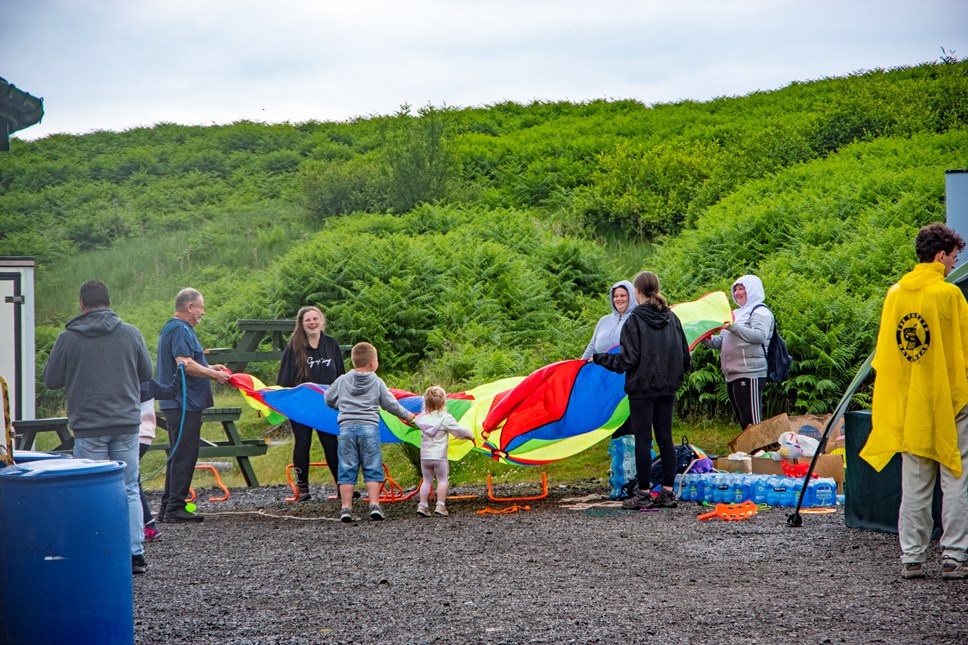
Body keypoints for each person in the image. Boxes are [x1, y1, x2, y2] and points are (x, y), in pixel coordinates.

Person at [861, 222, 968, 581]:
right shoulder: (949, 295)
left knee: (916, 481)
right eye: (954, 257)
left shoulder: (895, 294)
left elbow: (888, 353)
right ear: (940, 256)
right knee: (956, 476)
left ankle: (912, 556)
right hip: (950, 400)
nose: (954, 264)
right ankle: (953, 556)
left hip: (910, 401)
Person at [42, 280, 154, 574]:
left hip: (89, 426)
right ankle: (134, 554)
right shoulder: (131, 333)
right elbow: (147, 373)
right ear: (109, 301)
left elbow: (51, 380)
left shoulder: (68, 338)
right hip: (127, 423)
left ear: (82, 304)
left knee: (91, 489)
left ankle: (97, 550)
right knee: (129, 487)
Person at [590, 271, 691, 510]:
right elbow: (685, 357)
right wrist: (673, 378)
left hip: (642, 389)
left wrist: (599, 359)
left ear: (636, 292)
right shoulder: (673, 318)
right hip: (668, 389)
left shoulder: (634, 319)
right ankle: (667, 492)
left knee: (643, 441)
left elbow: (627, 360)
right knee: (666, 439)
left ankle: (644, 493)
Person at [156, 288, 231, 524]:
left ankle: (169, 506)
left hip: (180, 402)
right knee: (185, 454)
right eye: (201, 307)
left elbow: (190, 361)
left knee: (180, 453)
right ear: (190, 307)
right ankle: (175, 507)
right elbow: (184, 364)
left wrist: (211, 368)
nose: (203, 312)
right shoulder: (179, 328)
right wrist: (212, 374)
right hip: (182, 402)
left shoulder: (177, 328)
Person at [324, 342, 415, 523]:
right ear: (373, 362)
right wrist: (409, 416)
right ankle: (374, 505)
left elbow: (328, 398)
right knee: (372, 466)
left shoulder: (342, 380)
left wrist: (338, 406)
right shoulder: (376, 381)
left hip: (347, 429)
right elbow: (391, 404)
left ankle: (346, 508)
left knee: (347, 467)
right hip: (369, 429)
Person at [276, 306, 346, 501]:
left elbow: (341, 375)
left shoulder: (331, 344)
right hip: (302, 405)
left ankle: (342, 486)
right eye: (308, 320)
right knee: (303, 442)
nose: (312, 322)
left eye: (315, 319)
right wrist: (284, 402)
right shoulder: (294, 346)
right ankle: (303, 488)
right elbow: (284, 378)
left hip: (327, 404)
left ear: (321, 321)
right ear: (302, 324)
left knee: (331, 443)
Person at [700, 275, 774, 430]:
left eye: (742, 288)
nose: (738, 292)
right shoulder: (736, 313)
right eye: (736, 289)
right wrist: (704, 337)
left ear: (752, 290)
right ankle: (748, 453)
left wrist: (732, 326)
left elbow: (760, 336)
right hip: (732, 374)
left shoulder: (760, 311)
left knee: (752, 424)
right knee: (743, 421)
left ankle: (758, 453)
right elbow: (721, 342)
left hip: (750, 373)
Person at [582, 280, 636, 440]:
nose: (619, 299)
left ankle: (635, 459)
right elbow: (592, 346)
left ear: (631, 296)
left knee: (629, 420)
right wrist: (580, 368)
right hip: (605, 378)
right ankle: (619, 459)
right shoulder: (604, 321)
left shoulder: (635, 319)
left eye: (623, 295)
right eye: (615, 296)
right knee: (613, 420)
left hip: (627, 378)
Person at [413, 386, 474, 517]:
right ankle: (440, 505)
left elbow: (414, 420)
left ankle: (422, 505)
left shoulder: (422, 418)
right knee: (442, 480)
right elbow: (458, 431)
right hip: (439, 456)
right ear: (443, 402)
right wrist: (470, 435)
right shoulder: (445, 418)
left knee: (427, 480)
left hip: (425, 457)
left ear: (426, 402)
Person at [138, 378, 176, 542]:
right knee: (132, 480)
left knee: (131, 481)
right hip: (146, 436)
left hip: (130, 435)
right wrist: (179, 375)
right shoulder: (148, 382)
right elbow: (170, 392)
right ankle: (148, 525)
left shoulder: (127, 381)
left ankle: (148, 525)